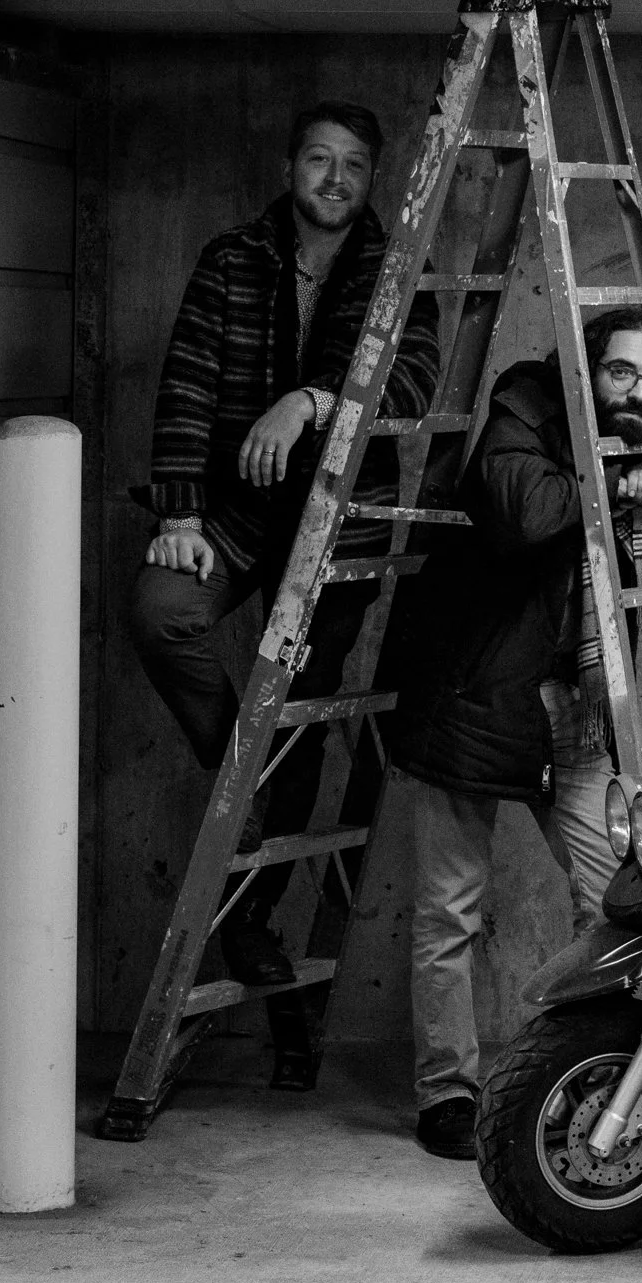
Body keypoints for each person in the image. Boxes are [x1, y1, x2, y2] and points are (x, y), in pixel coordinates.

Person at [130, 101, 440, 987]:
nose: (334, 178)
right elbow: (186, 382)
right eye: (318, 159)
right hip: (234, 510)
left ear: (372, 178)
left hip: (338, 520)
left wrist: (310, 400)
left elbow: (414, 382)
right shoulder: (233, 257)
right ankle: (249, 790)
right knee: (161, 610)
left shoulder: (397, 268)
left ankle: (256, 914)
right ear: (290, 168)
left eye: (352, 164)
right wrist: (180, 518)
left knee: (299, 715)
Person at [383, 306, 642, 1159]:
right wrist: (626, 479)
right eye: (620, 374)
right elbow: (527, 512)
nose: (637, 392)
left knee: (613, 899)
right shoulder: (522, 412)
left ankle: (592, 1068)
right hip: (479, 700)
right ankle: (446, 1094)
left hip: (574, 707)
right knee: (451, 910)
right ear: (586, 374)